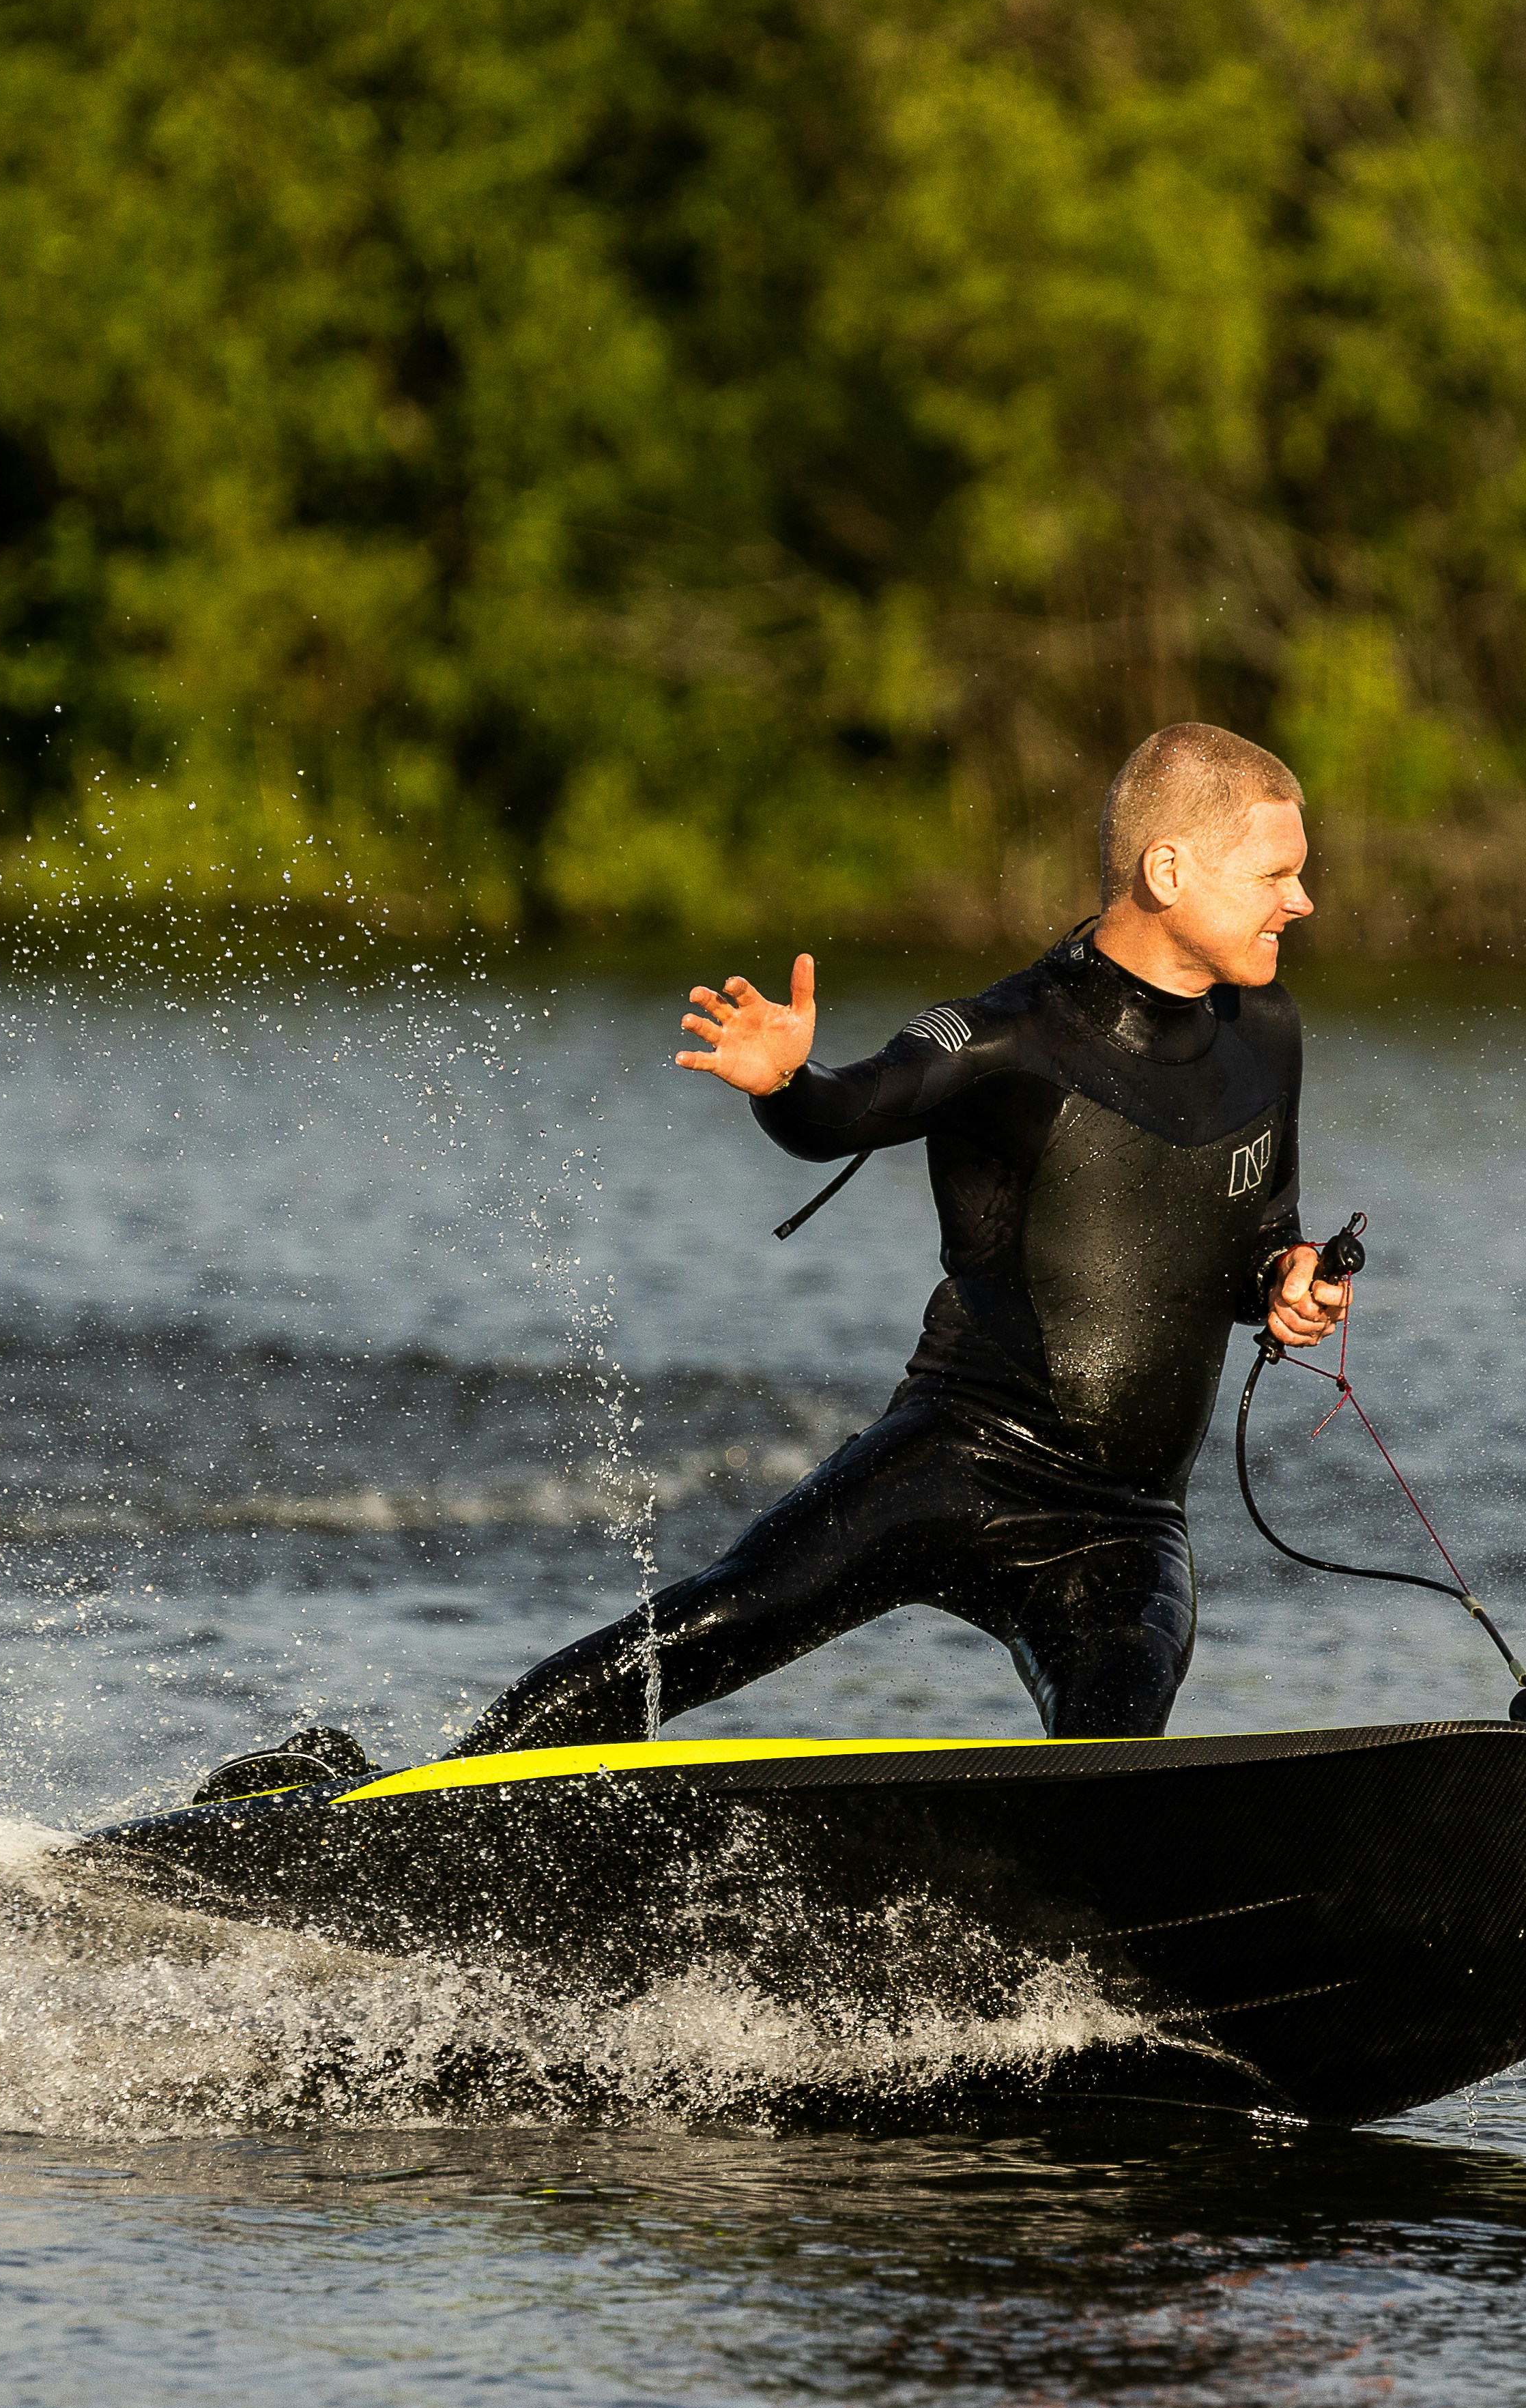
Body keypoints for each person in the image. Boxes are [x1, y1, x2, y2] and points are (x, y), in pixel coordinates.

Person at [437, 721, 1351, 1760]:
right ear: (1168, 868)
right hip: (956, 1463)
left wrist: (1289, 1279)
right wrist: (785, 1082)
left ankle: (1050, 1909)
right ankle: (444, 1804)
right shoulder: (1012, 1035)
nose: (1303, 901)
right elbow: (847, 1113)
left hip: (1125, 1523)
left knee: (1113, 1754)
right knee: (718, 1621)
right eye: (1277, 873)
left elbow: (1263, 1226)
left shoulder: (1266, 1029)